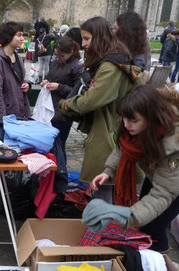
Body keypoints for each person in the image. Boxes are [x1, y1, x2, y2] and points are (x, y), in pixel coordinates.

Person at [88, 84, 179, 252]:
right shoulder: (134, 122)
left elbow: (164, 193)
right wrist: (108, 171)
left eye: (133, 121)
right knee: (144, 216)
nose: (126, 125)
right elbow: (122, 147)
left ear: (152, 118)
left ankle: (160, 265)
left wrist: (127, 216)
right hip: (155, 174)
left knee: (153, 227)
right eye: (124, 119)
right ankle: (143, 249)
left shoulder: (174, 144)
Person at [59, 16, 144, 190]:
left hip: (109, 131)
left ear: (99, 37)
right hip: (110, 127)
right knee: (106, 187)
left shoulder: (110, 66)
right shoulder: (110, 61)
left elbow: (92, 100)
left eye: (87, 38)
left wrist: (66, 104)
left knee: (104, 188)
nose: (83, 44)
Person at [40, 36, 83, 158]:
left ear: (71, 52)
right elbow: (51, 76)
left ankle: (60, 171)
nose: (58, 58)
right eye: (56, 55)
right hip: (49, 108)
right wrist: (46, 81)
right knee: (48, 145)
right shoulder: (55, 62)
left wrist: (59, 87)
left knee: (58, 145)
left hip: (63, 112)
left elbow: (78, 92)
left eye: (62, 56)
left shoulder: (76, 67)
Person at [0, 21, 31, 122]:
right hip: (4, 117)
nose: (22, 39)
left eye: (22, 35)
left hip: (19, 113)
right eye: (19, 35)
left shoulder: (18, 57)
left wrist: (26, 85)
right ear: (9, 36)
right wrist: (3, 120)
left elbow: (18, 80)